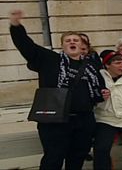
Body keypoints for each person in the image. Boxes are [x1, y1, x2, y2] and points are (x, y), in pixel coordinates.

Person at [9, 10, 108, 170]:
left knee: (77, 157)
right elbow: (26, 45)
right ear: (63, 45)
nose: (72, 42)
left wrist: (103, 93)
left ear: (82, 45)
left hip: (83, 119)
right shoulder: (50, 59)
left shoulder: (91, 66)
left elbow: (98, 89)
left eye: (75, 40)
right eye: (68, 40)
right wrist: (15, 25)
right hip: (54, 120)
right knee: (53, 158)